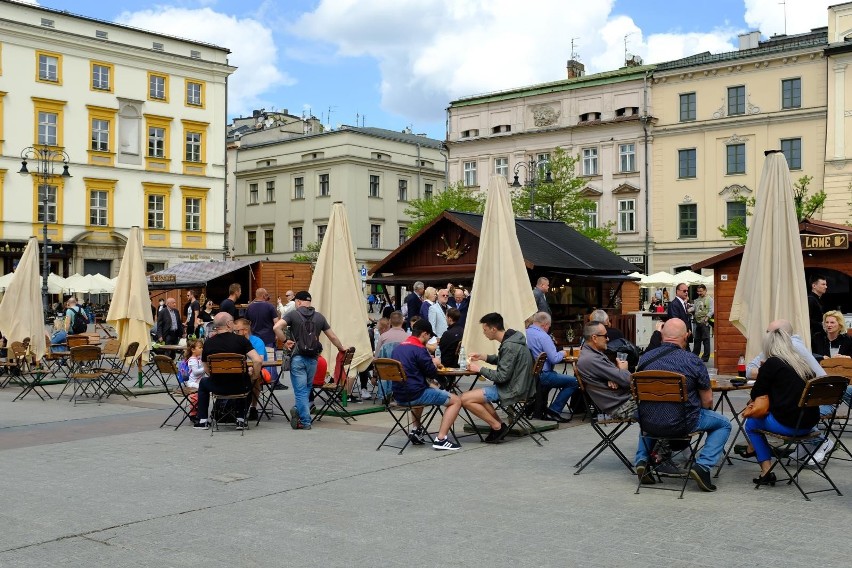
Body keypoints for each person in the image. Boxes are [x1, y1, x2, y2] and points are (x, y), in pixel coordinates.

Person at [633, 319, 731, 492]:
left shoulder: (645, 359)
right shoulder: (692, 361)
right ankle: (703, 466)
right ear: (686, 336)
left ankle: (642, 460)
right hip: (683, 422)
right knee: (724, 423)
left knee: (652, 414)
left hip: (648, 422)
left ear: (662, 335)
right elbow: (707, 401)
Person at [743, 326, 822, 487]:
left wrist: (765, 371)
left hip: (790, 425)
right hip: (809, 424)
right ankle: (753, 448)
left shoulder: (772, 363)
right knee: (757, 419)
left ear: (768, 346)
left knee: (750, 423)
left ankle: (765, 470)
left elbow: (756, 394)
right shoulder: (802, 363)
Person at [273, 290, 348, 430]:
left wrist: (285, 341)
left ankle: (305, 421)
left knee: (301, 392)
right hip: (313, 359)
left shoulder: (293, 315)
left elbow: (276, 327)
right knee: (306, 389)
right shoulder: (319, 317)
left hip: (298, 358)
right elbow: (332, 336)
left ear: (299, 302)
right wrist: (341, 348)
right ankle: (298, 410)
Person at [390, 319, 463, 450]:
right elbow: (432, 373)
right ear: (424, 334)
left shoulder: (398, 348)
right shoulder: (419, 349)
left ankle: (416, 430)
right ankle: (441, 439)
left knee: (423, 388)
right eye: (429, 336)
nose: (429, 339)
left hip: (399, 395)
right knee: (456, 400)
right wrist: (434, 362)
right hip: (415, 394)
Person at [462, 312, 535, 443]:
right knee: (478, 397)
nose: (484, 333)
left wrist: (479, 369)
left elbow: (501, 377)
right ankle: (499, 425)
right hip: (519, 385)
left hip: (512, 389)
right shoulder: (513, 339)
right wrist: (483, 357)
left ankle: (496, 426)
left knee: (465, 399)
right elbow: (505, 361)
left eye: (485, 330)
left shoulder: (509, 346)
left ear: (493, 329)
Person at [194, 313, 263, 430]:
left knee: (204, 383)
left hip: (217, 386)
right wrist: (254, 376)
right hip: (240, 386)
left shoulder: (208, 343)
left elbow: (205, 367)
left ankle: (203, 420)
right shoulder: (241, 340)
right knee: (246, 378)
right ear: (228, 324)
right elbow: (257, 360)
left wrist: (216, 376)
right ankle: (240, 420)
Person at [576, 321, 635, 419]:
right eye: (605, 335)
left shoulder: (591, 354)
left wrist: (611, 377)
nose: (608, 339)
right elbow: (627, 380)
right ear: (594, 338)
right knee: (661, 402)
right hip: (622, 405)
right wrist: (623, 369)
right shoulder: (592, 359)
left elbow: (613, 375)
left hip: (622, 400)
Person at [525, 312, 577, 423]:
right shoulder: (543, 336)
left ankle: (539, 408)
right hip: (543, 375)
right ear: (545, 324)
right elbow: (554, 359)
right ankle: (554, 411)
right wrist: (562, 353)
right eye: (549, 326)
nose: (549, 328)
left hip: (527, 376)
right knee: (573, 382)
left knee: (550, 380)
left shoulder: (524, 333)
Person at [746, 320, 824, 380]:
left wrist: (766, 371)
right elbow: (748, 370)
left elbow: (749, 372)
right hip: (817, 393)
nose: (767, 336)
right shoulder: (795, 344)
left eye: (770, 333)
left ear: (782, 334)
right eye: (767, 333)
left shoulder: (788, 346)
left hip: (808, 396)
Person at [233, 318, 270, 420]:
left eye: (237, 331)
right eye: (233, 331)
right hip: (239, 370)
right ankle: (232, 407)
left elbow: (260, 360)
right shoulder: (234, 341)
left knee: (255, 376)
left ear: (245, 330)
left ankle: (253, 407)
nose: (235, 333)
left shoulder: (257, 341)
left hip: (259, 370)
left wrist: (250, 369)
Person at [246, 287, 279, 383]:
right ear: (264, 295)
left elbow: (247, 323)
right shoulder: (270, 306)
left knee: (256, 359)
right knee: (269, 360)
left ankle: (258, 378)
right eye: (267, 295)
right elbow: (276, 322)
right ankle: (270, 379)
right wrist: (277, 335)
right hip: (268, 337)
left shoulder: (250, 307)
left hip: (255, 339)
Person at [183, 339, 205, 423]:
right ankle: (194, 413)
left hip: (196, 382)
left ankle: (198, 411)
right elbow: (195, 372)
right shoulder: (192, 360)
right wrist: (205, 368)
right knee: (201, 392)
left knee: (201, 392)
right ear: (193, 349)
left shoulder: (197, 358)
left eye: (202, 347)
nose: (202, 349)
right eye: (200, 347)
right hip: (192, 383)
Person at [690, 284, 714, 362]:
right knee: (697, 339)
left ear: (705, 290)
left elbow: (712, 310)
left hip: (705, 322)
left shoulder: (709, 299)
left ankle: (705, 357)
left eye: (701, 291)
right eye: (698, 291)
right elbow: (694, 308)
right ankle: (695, 355)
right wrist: (688, 310)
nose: (699, 293)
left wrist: (707, 318)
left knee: (706, 340)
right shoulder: (697, 300)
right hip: (697, 322)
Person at [807, 274, 827, 343]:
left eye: (826, 284)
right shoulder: (811, 300)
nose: (826, 287)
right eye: (823, 284)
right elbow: (807, 319)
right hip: (813, 337)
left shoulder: (817, 299)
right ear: (814, 286)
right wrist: (822, 324)